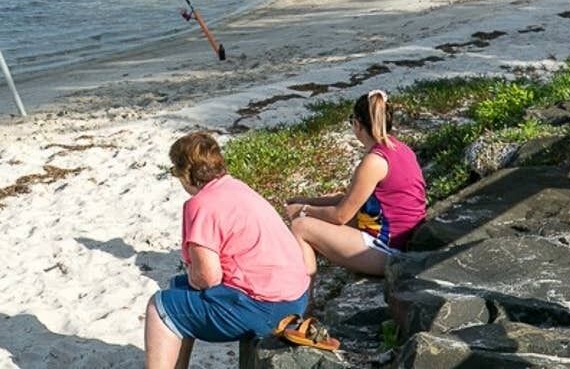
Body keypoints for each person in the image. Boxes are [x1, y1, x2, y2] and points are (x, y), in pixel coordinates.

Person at [144, 132, 310, 369]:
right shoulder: (236, 187)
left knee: (160, 306)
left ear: (186, 173)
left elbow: (207, 278)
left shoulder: (201, 204)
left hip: (265, 308)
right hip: (295, 299)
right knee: (178, 288)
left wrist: (194, 273)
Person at [285, 90, 427, 276]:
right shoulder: (401, 149)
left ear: (357, 125)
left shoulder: (374, 162)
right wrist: (309, 201)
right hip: (403, 238)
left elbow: (340, 216)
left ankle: (305, 293)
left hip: (390, 250)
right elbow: (352, 200)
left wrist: (304, 210)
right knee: (331, 207)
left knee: (301, 226)